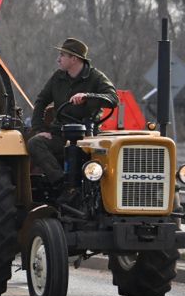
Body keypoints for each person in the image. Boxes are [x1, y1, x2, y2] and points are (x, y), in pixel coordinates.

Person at [27, 37, 118, 188]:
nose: (58, 59)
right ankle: (62, 184)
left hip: (87, 137)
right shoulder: (58, 78)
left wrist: (87, 97)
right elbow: (41, 101)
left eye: (62, 55)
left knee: (103, 155)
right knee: (35, 143)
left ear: (74, 59)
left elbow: (113, 98)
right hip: (60, 134)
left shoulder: (95, 78)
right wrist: (40, 129)